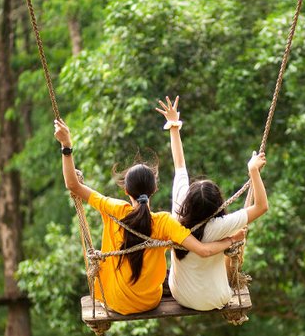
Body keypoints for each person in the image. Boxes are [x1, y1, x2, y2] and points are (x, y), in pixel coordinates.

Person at [54, 118, 245, 315]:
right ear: (154, 189)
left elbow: (73, 185)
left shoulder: (114, 209)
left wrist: (66, 146)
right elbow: (203, 251)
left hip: (115, 301)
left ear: (126, 190)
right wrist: (230, 240)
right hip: (149, 302)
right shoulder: (164, 222)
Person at [155, 95, 269, 311]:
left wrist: (174, 125)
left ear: (188, 201)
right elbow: (262, 207)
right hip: (218, 298)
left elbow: (179, 164)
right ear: (218, 205)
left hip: (182, 296)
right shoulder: (223, 225)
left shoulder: (177, 215)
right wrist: (253, 171)